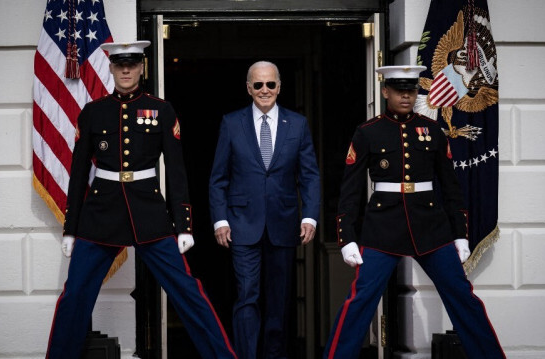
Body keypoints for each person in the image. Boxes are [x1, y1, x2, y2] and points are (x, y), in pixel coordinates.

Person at [45, 41, 236, 359]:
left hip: (149, 213)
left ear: (142, 68)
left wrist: (184, 225)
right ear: (111, 68)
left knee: (187, 291)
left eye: (132, 64)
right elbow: (78, 175)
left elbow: (176, 170)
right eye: (120, 64)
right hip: (100, 214)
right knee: (75, 293)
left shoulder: (162, 110)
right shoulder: (93, 113)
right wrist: (70, 227)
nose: (126, 70)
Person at [323, 65, 505, 359]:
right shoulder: (367, 132)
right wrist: (347, 238)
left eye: (411, 90)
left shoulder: (433, 130)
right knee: (360, 301)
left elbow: (450, 186)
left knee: (462, 296)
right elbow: (350, 190)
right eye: (399, 90)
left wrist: (460, 234)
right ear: (386, 92)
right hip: (382, 228)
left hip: (430, 226)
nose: (406, 96)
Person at [209, 61, 320, 359]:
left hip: (284, 225)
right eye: (258, 85)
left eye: (270, 84)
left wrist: (309, 215)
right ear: (248, 88)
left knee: (278, 301)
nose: (265, 90)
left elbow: (309, 175)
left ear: (279, 87)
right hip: (242, 224)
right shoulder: (232, 123)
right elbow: (219, 178)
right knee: (247, 296)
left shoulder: (297, 124)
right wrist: (220, 219)